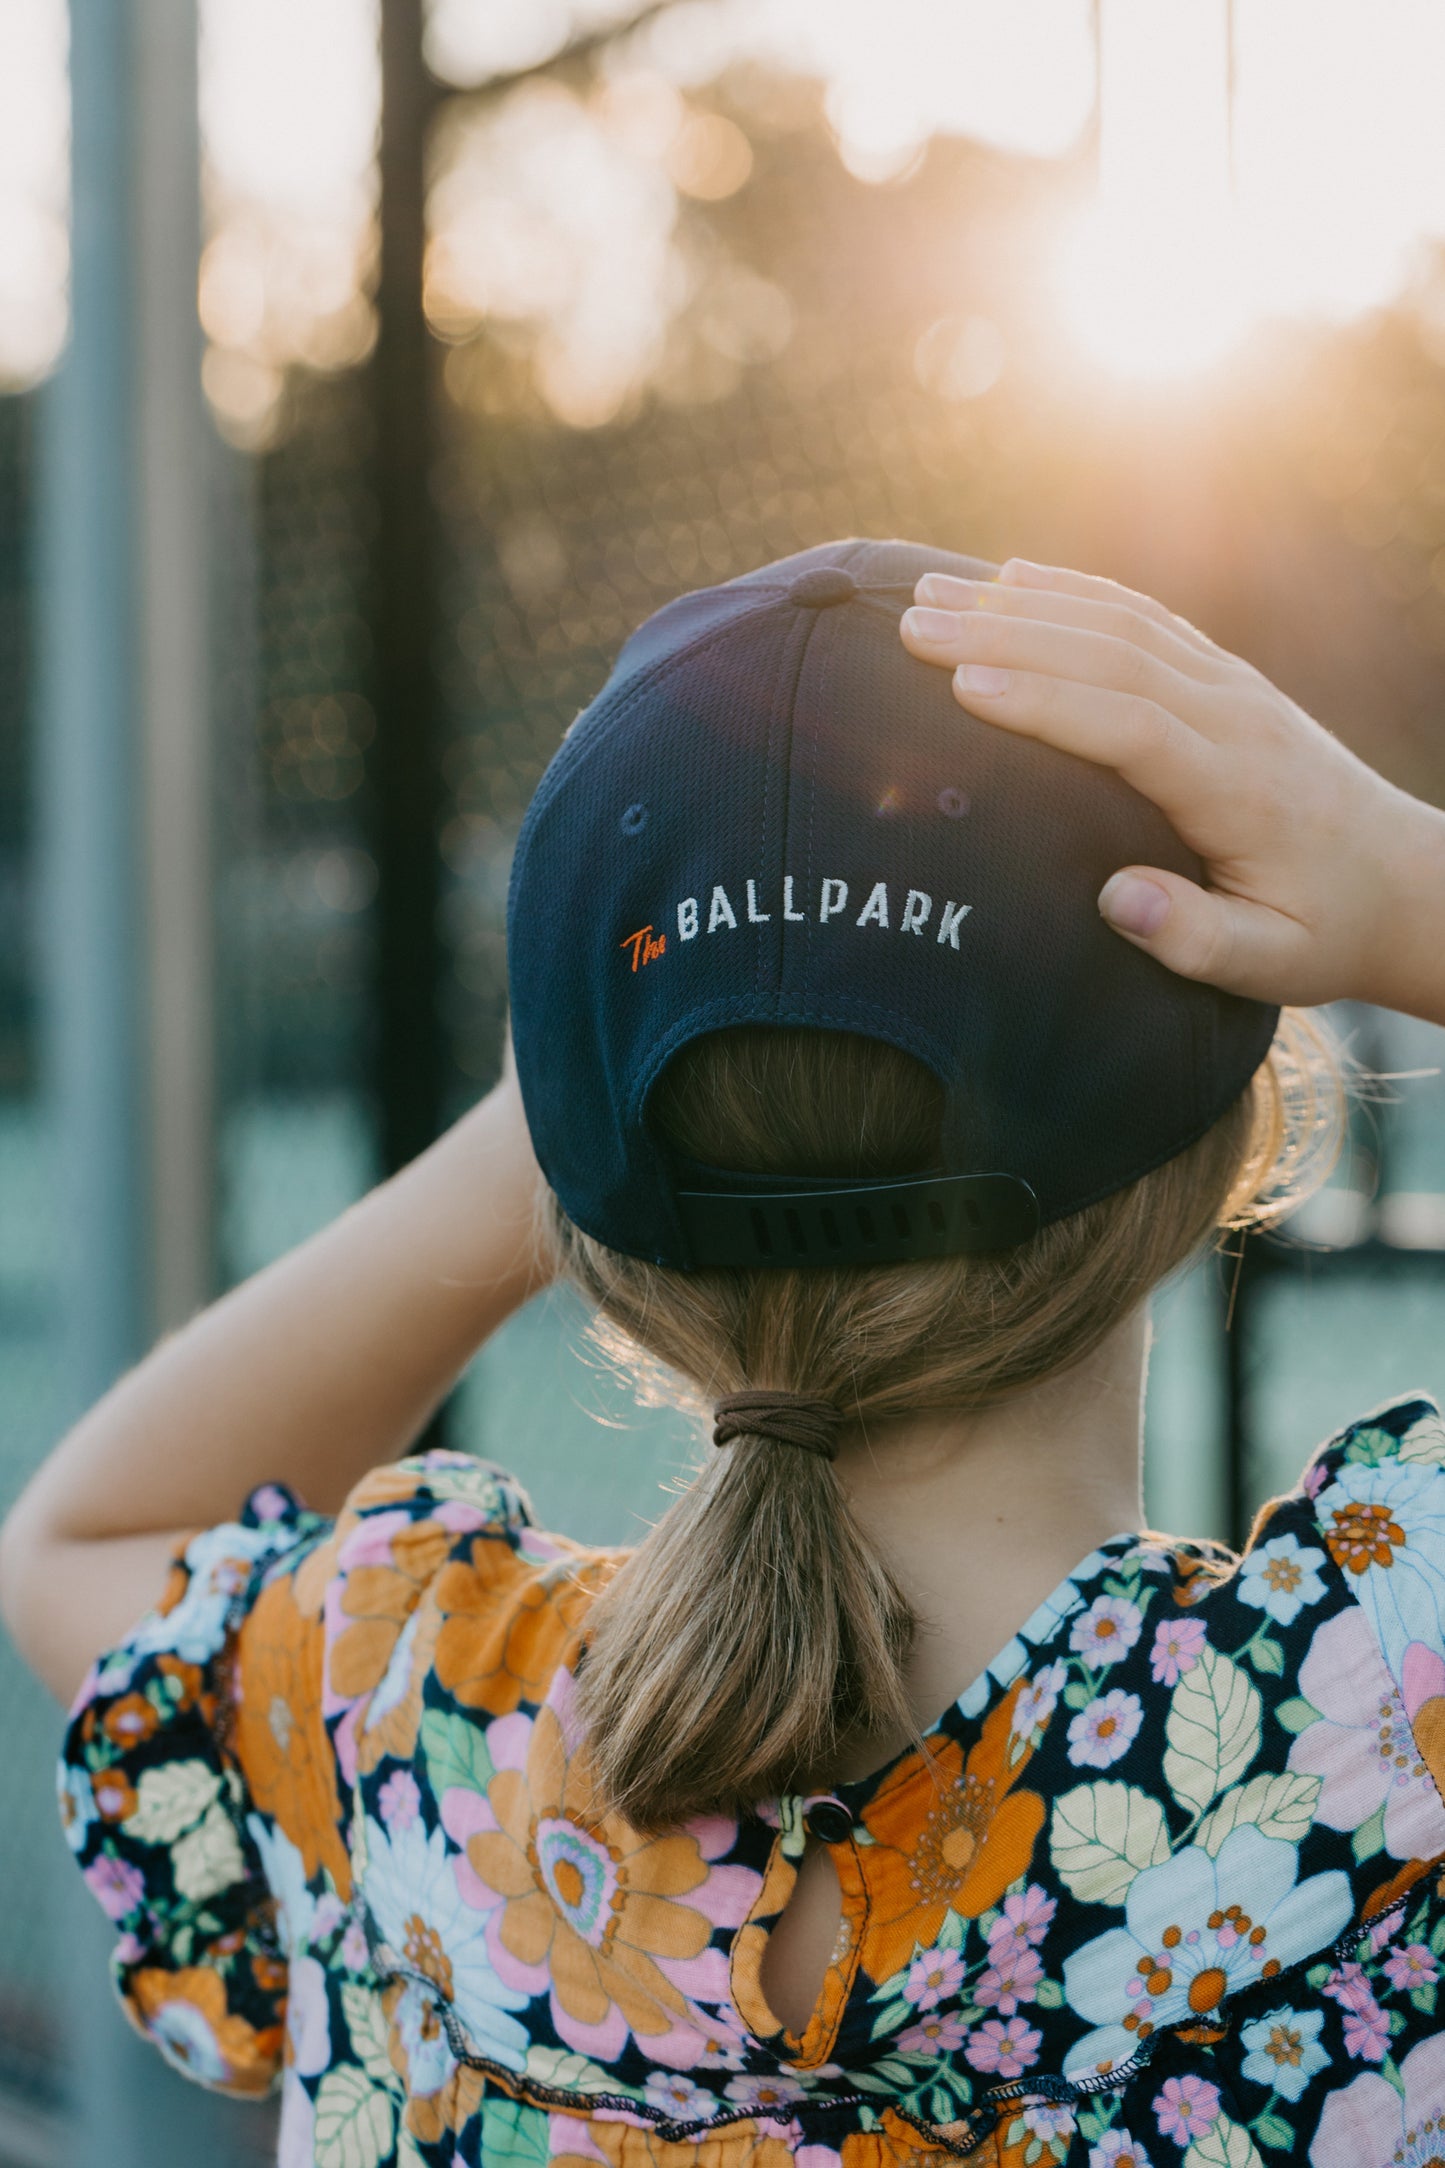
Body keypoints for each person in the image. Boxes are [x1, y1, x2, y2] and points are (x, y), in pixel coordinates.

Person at [3, 541, 1444, 2168]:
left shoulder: (400, 1735)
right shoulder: (1379, 1726)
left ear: (588, 1199)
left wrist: (536, 1124)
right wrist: (1405, 891)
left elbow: (91, 1539)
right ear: (1233, 1135)